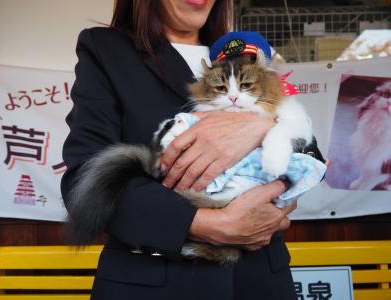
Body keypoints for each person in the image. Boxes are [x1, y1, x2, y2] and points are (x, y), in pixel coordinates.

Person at [61, 0, 299, 299]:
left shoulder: (244, 52)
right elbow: (84, 178)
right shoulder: (108, 50)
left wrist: (261, 126)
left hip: (259, 279)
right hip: (156, 282)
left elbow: (308, 146)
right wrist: (208, 224)